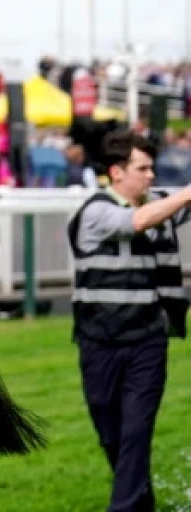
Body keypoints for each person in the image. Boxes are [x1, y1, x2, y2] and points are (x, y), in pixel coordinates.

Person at [66, 129, 190, 512]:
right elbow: (135, 222)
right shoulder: (96, 211)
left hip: (147, 342)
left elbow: (162, 211)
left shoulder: (160, 204)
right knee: (113, 437)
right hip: (98, 342)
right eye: (144, 168)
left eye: (152, 168)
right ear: (116, 173)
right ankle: (139, 503)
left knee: (136, 432)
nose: (152, 175)